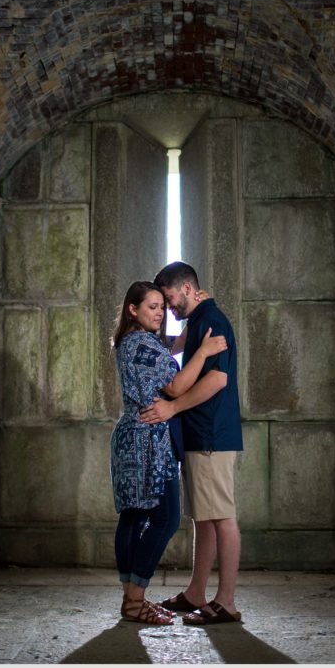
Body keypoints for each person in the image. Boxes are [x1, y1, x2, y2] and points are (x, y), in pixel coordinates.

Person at [109, 281, 227, 625]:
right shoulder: (142, 344)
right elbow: (175, 387)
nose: (160, 314)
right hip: (147, 440)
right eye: (152, 307)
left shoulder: (133, 341)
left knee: (133, 518)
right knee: (166, 518)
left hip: (134, 434)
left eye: (163, 307)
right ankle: (135, 600)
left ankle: (131, 599)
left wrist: (193, 319)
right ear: (133, 309)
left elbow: (169, 351)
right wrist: (203, 353)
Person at [140, 261, 244, 625]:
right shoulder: (199, 321)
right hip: (202, 433)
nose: (168, 309)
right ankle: (197, 592)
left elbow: (217, 380)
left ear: (187, 288)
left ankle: (226, 602)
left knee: (222, 516)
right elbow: (174, 350)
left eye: (169, 300)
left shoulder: (211, 319)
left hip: (212, 433)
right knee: (205, 518)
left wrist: (172, 407)